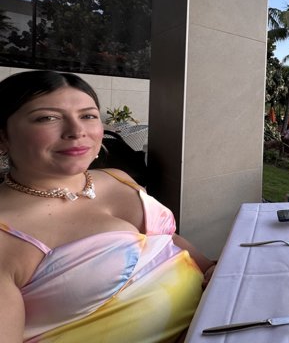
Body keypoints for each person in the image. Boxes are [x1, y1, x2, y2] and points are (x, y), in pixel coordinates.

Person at [0, 70, 216, 342]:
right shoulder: (7, 236)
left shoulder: (117, 178)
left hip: (223, 316)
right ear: (3, 136)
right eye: (48, 118)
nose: (77, 131)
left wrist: (210, 267)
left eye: (88, 116)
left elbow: (165, 240)